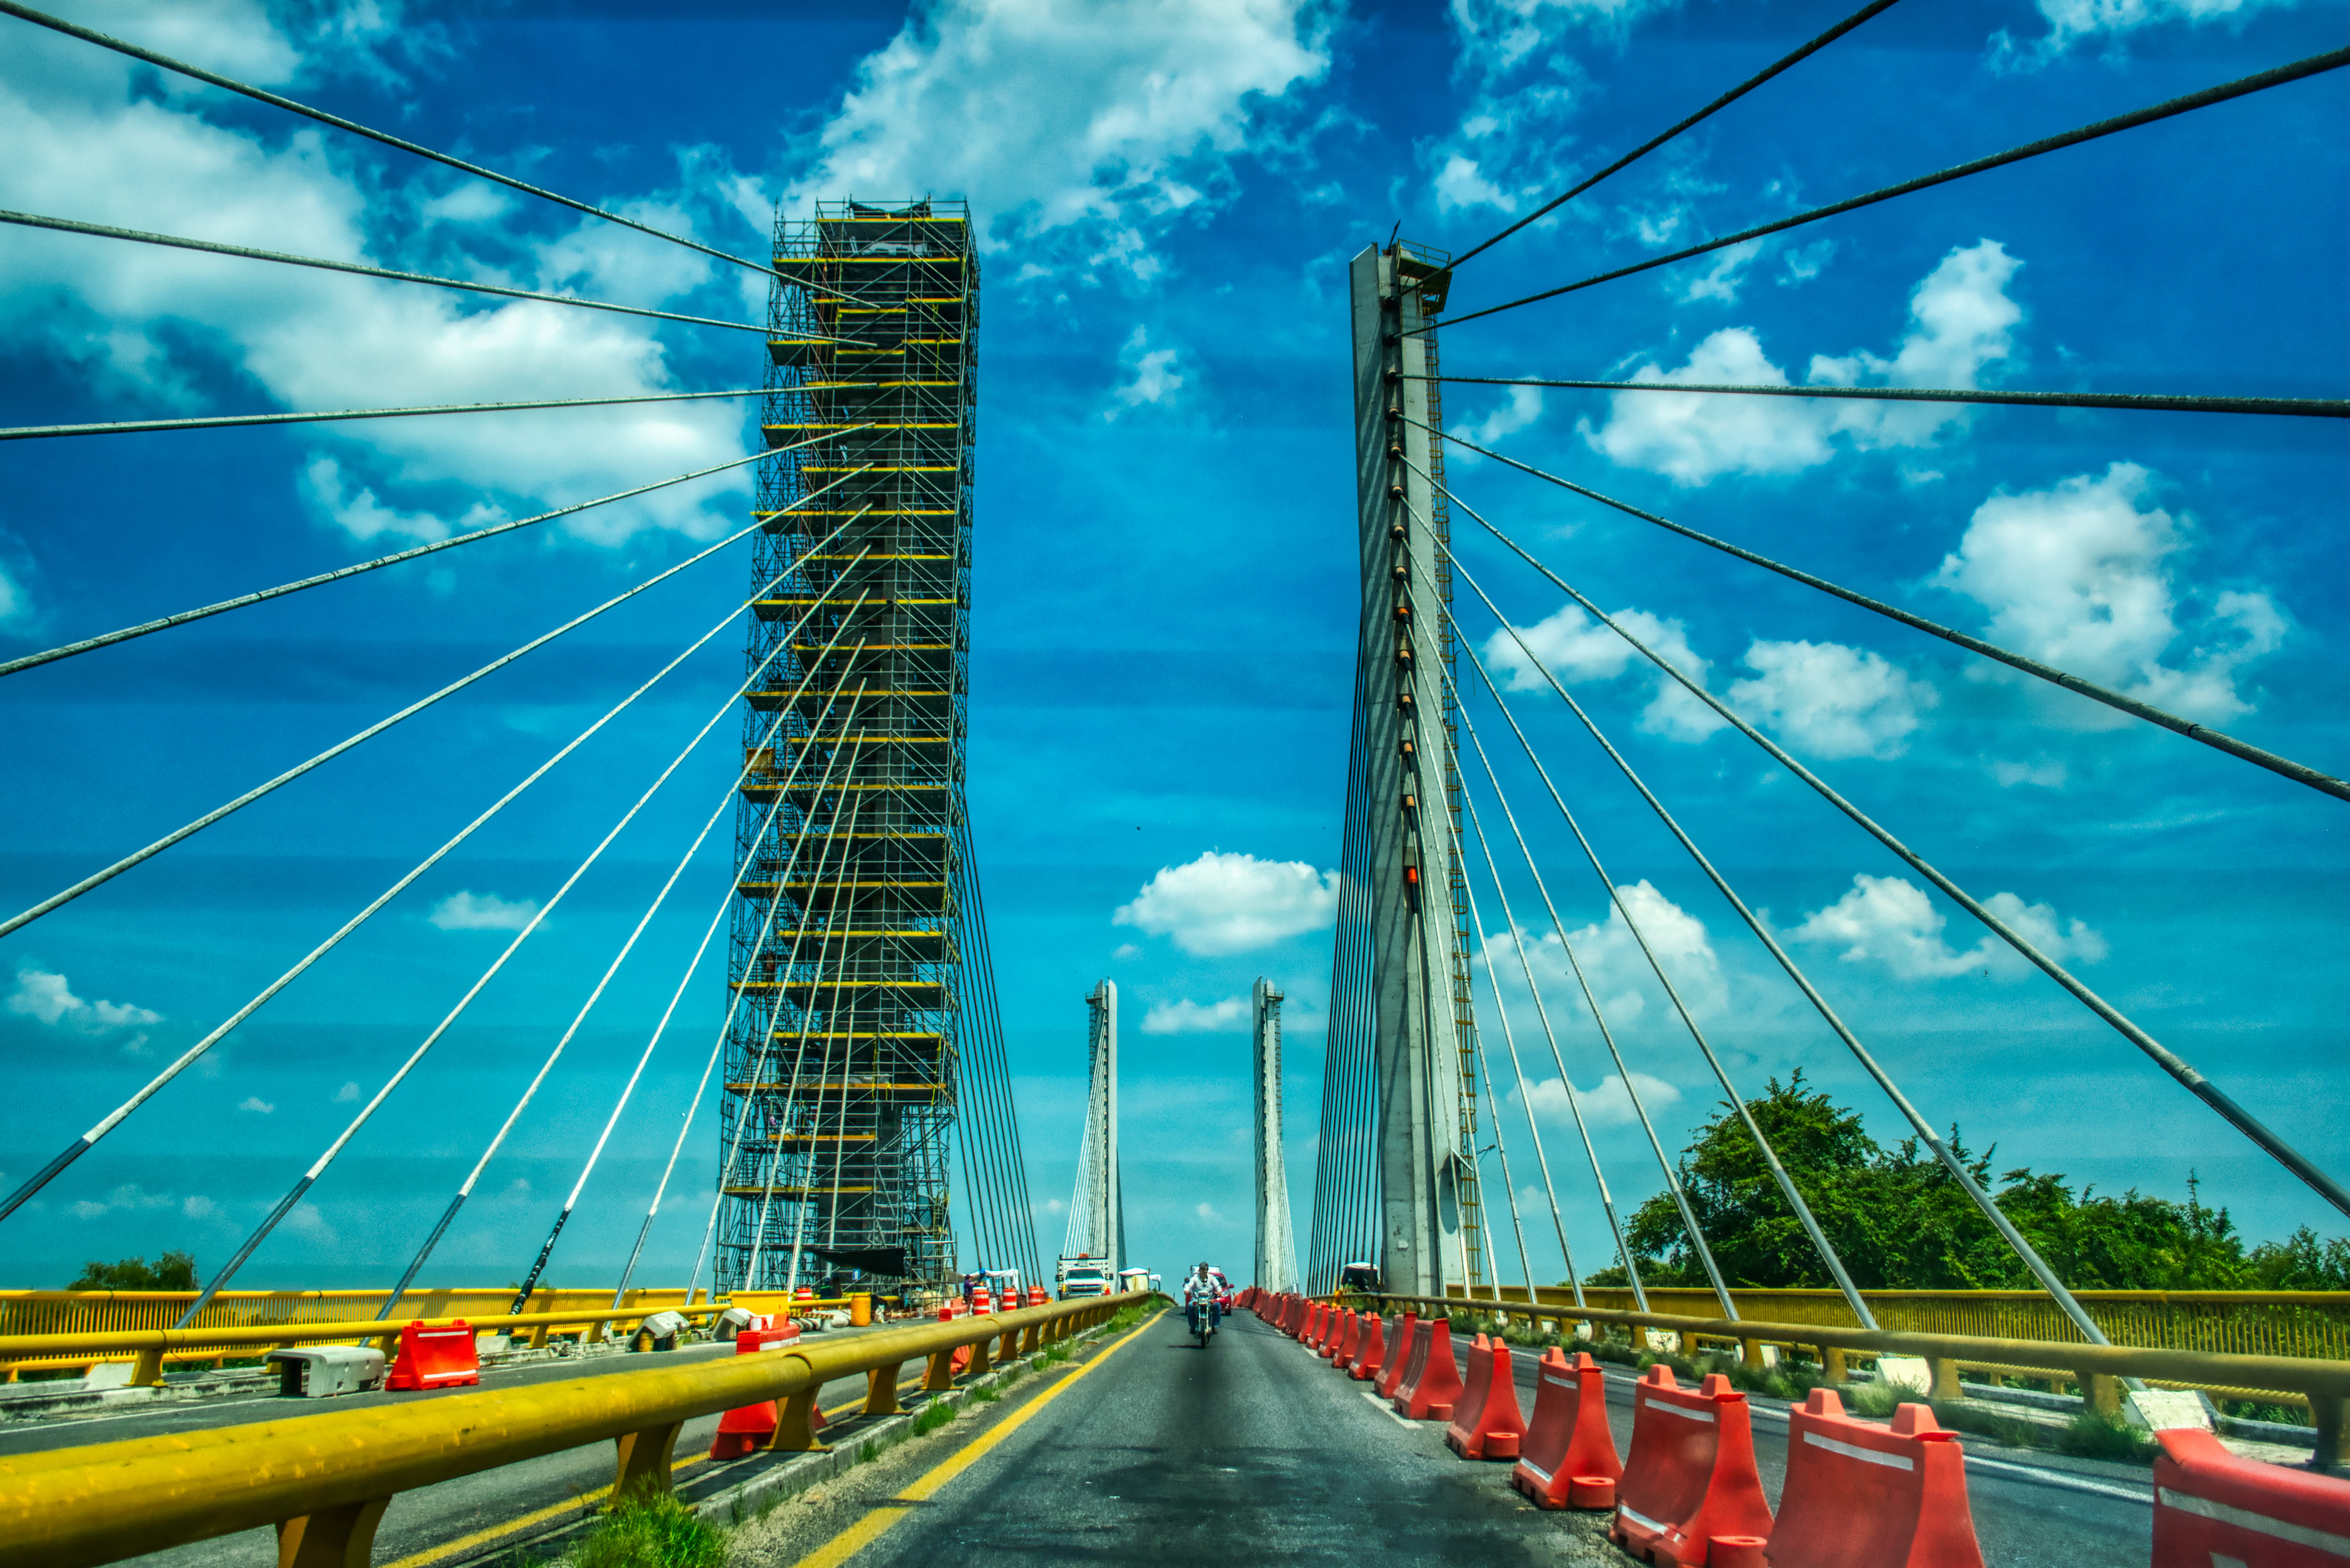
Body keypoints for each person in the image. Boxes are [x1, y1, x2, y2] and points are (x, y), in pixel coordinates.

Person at [1182, 1262, 1223, 1336]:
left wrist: (1219, 1291)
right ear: (1199, 1270)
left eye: (1206, 1269)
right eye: (1203, 1269)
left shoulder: (1212, 1278)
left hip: (1209, 1299)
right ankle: (1192, 1326)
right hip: (1197, 1299)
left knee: (1217, 1306)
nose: (1204, 1271)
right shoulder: (1195, 1278)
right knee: (1190, 1306)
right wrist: (1187, 1290)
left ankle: (1214, 1326)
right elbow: (1188, 1285)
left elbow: (1218, 1286)